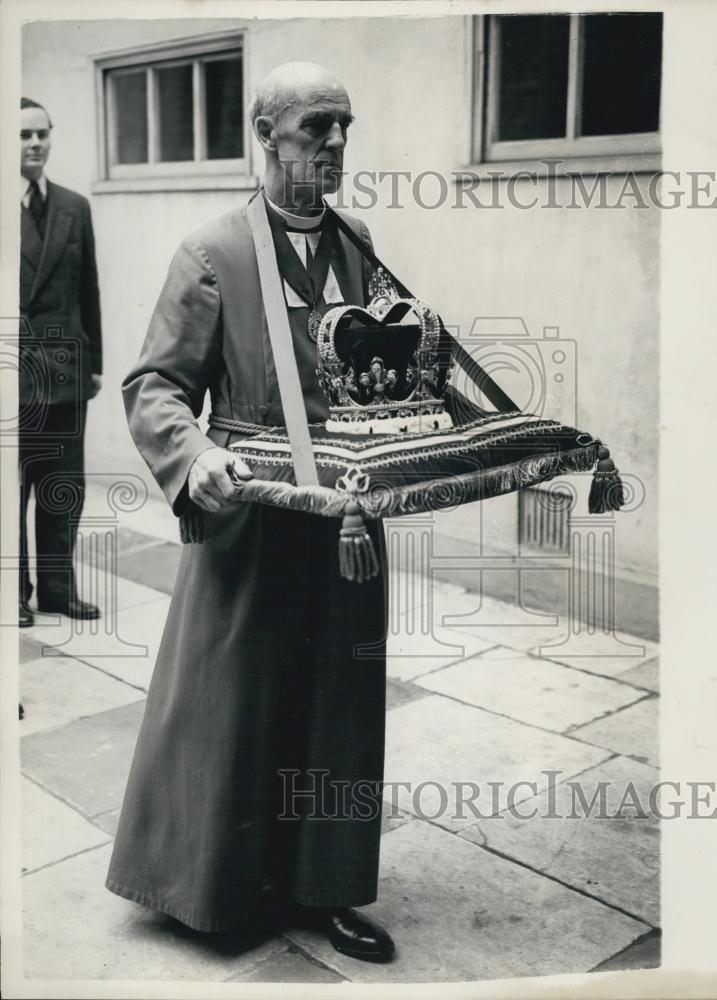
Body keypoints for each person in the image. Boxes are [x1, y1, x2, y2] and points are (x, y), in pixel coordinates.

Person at [106, 63, 395, 964]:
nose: (336, 144)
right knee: (236, 709)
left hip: (345, 523)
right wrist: (194, 458)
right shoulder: (211, 253)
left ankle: (327, 886)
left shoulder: (359, 244)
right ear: (266, 136)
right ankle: (220, 887)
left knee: (335, 711)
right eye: (317, 127)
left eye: (345, 126)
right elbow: (155, 385)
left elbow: (384, 374)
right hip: (250, 516)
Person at [19, 97, 102, 628]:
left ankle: (56, 589)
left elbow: (87, 289)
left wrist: (95, 362)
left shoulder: (74, 206)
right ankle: (12, 593)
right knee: (11, 493)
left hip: (68, 375)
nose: (34, 144)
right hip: (13, 378)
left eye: (41, 134)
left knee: (62, 487)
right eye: (23, 135)